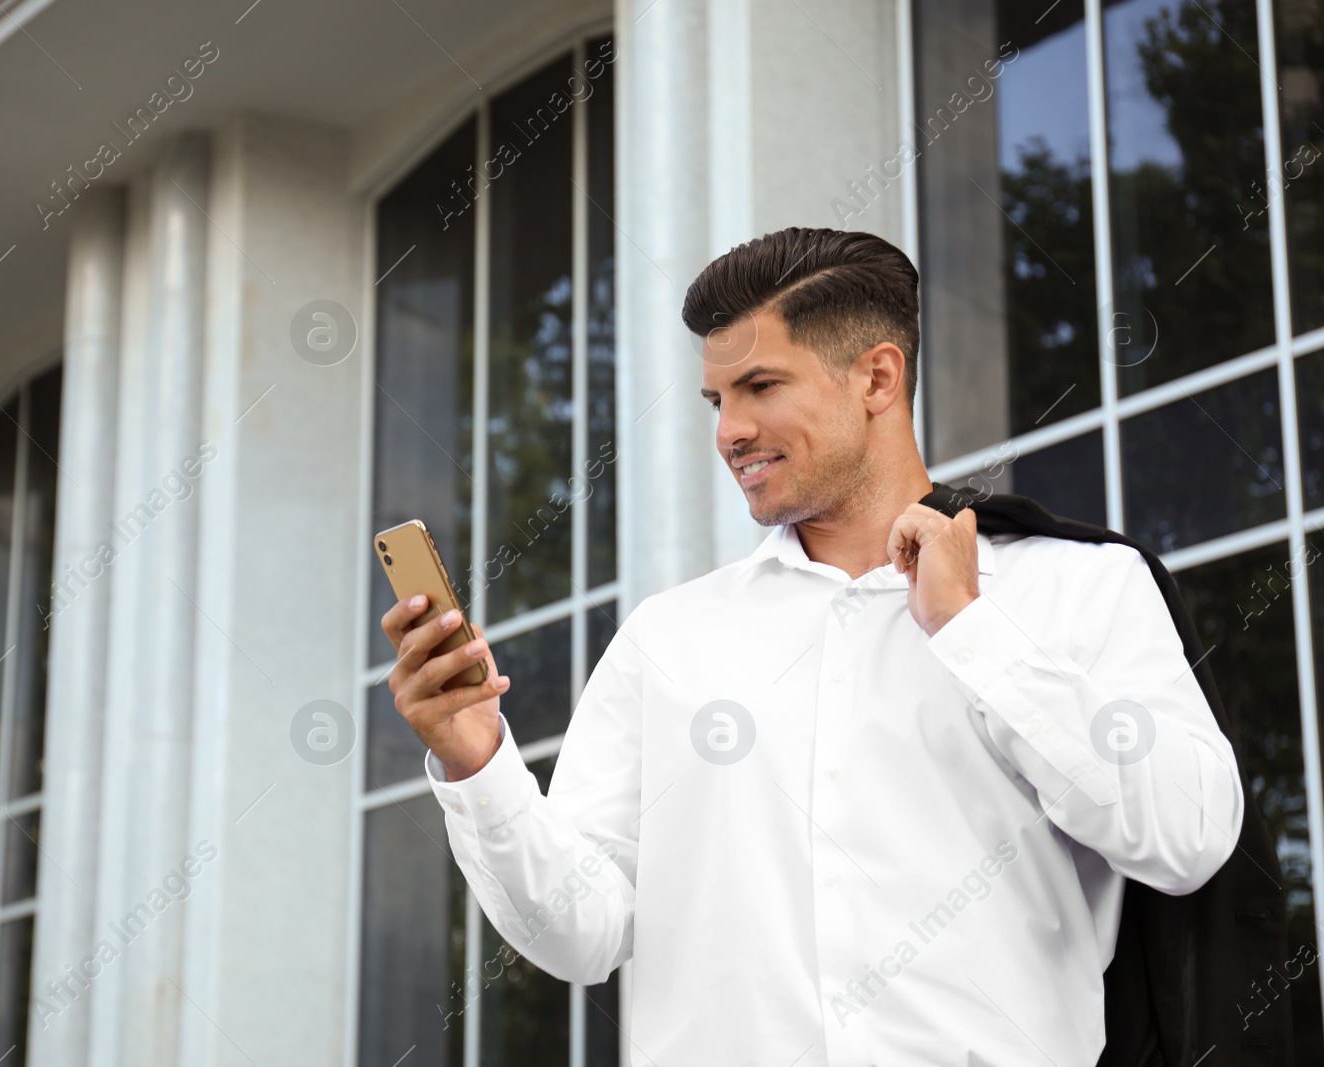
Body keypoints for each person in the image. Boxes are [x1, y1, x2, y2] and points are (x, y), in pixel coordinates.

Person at [378, 226, 1244, 1065]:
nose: (729, 433)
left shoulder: (1076, 586)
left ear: (877, 377)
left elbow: (1187, 836)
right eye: (719, 400)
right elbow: (582, 931)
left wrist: (973, 632)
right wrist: (477, 765)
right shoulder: (668, 640)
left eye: (761, 387)